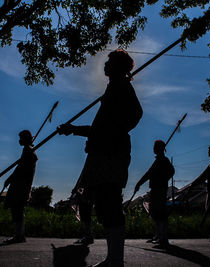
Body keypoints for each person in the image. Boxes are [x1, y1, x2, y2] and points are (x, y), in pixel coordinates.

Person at [58, 49, 143, 267]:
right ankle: (113, 258)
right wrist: (74, 129)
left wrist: (114, 132)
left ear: (119, 66)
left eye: (109, 62)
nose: (105, 65)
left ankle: (116, 259)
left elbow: (135, 115)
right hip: (101, 153)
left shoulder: (122, 87)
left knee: (110, 201)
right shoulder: (112, 90)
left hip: (111, 153)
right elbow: (99, 128)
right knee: (104, 204)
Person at [134, 140, 175, 249]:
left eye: (155, 146)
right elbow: (148, 173)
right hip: (155, 190)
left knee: (160, 213)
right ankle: (158, 235)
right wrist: (139, 183)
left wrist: (163, 179)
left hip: (160, 190)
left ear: (160, 148)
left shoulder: (164, 161)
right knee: (155, 213)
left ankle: (163, 238)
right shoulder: (158, 161)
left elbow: (171, 171)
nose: (153, 148)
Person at [3, 130, 38, 244]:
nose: (19, 140)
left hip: (21, 185)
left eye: (21, 138)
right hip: (22, 185)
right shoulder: (28, 151)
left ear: (25, 139)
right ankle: (19, 235)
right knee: (17, 209)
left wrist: (10, 178)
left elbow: (21, 169)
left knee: (17, 209)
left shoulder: (28, 151)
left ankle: (19, 235)